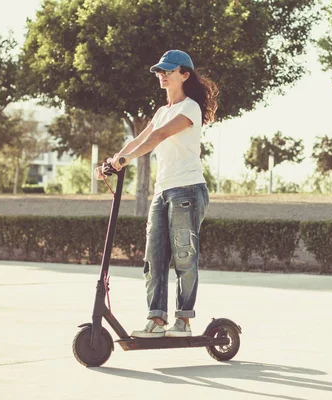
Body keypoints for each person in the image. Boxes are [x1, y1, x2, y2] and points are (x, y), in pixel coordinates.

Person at [94, 50, 218, 338]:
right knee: (154, 257)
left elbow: (159, 136)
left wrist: (125, 160)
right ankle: (157, 320)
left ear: (184, 74)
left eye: (168, 71)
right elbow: (140, 138)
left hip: (187, 189)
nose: (162, 75)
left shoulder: (190, 109)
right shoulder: (162, 111)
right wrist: (111, 161)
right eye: (159, 71)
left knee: (184, 256)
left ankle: (183, 321)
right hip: (162, 191)